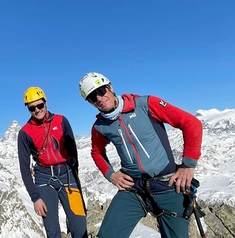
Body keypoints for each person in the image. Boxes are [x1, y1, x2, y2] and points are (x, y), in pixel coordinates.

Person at [78, 72, 203, 238]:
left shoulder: (146, 104)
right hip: (134, 190)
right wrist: (111, 175)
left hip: (167, 185)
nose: (99, 98)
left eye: (101, 91)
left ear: (110, 87)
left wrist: (188, 165)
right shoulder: (100, 126)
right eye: (92, 97)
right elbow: (96, 152)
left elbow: (191, 123)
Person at [17, 87, 88, 238]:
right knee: (52, 230)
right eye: (32, 108)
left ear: (45, 103)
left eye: (40, 105)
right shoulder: (25, 133)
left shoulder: (61, 121)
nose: (37, 110)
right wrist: (35, 198)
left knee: (80, 226)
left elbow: (73, 151)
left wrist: (74, 175)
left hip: (67, 175)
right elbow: (24, 168)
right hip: (44, 179)